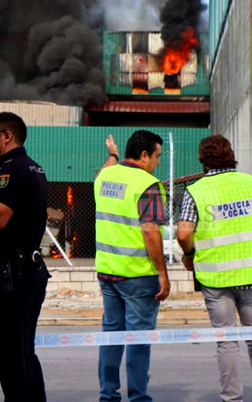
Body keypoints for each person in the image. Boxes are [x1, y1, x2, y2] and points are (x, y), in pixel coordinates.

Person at [178, 135, 252, 402]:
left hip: (216, 277)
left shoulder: (196, 190)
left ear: (203, 159)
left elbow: (184, 233)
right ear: (230, 155)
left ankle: (232, 398)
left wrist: (189, 255)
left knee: (226, 341)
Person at [0, 111, 50, 402]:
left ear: (7, 136)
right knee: (23, 352)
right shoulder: (32, 167)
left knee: (10, 355)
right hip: (25, 271)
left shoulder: (10, 170)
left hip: (13, 276)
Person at [93, 130, 170, 402]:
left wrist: (111, 154)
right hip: (138, 275)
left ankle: (108, 395)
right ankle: (138, 398)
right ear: (144, 155)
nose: (158, 162)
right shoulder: (147, 184)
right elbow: (151, 232)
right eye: (157, 156)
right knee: (138, 339)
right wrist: (163, 273)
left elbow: (105, 168)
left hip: (107, 271)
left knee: (111, 336)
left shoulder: (105, 176)